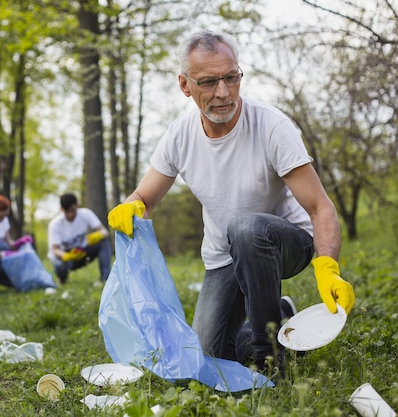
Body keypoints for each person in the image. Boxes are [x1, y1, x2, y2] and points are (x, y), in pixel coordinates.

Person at [107, 30, 355, 376]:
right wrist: (130, 206)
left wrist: (328, 266)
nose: (223, 93)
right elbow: (144, 198)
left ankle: (271, 359)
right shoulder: (180, 136)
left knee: (246, 227)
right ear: (185, 85)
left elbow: (320, 207)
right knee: (208, 356)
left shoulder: (271, 126)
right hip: (225, 255)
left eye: (231, 78)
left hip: (286, 243)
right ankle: (278, 316)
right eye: (208, 82)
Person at [48, 193, 111, 284]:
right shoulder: (55, 224)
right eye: (67, 211)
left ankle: (106, 278)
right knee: (58, 264)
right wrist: (67, 256)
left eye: (73, 210)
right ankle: (62, 279)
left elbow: (105, 232)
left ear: (77, 205)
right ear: (61, 210)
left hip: (84, 251)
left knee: (103, 242)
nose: (70, 214)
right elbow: (55, 250)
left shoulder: (86, 214)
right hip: (68, 257)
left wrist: (97, 236)